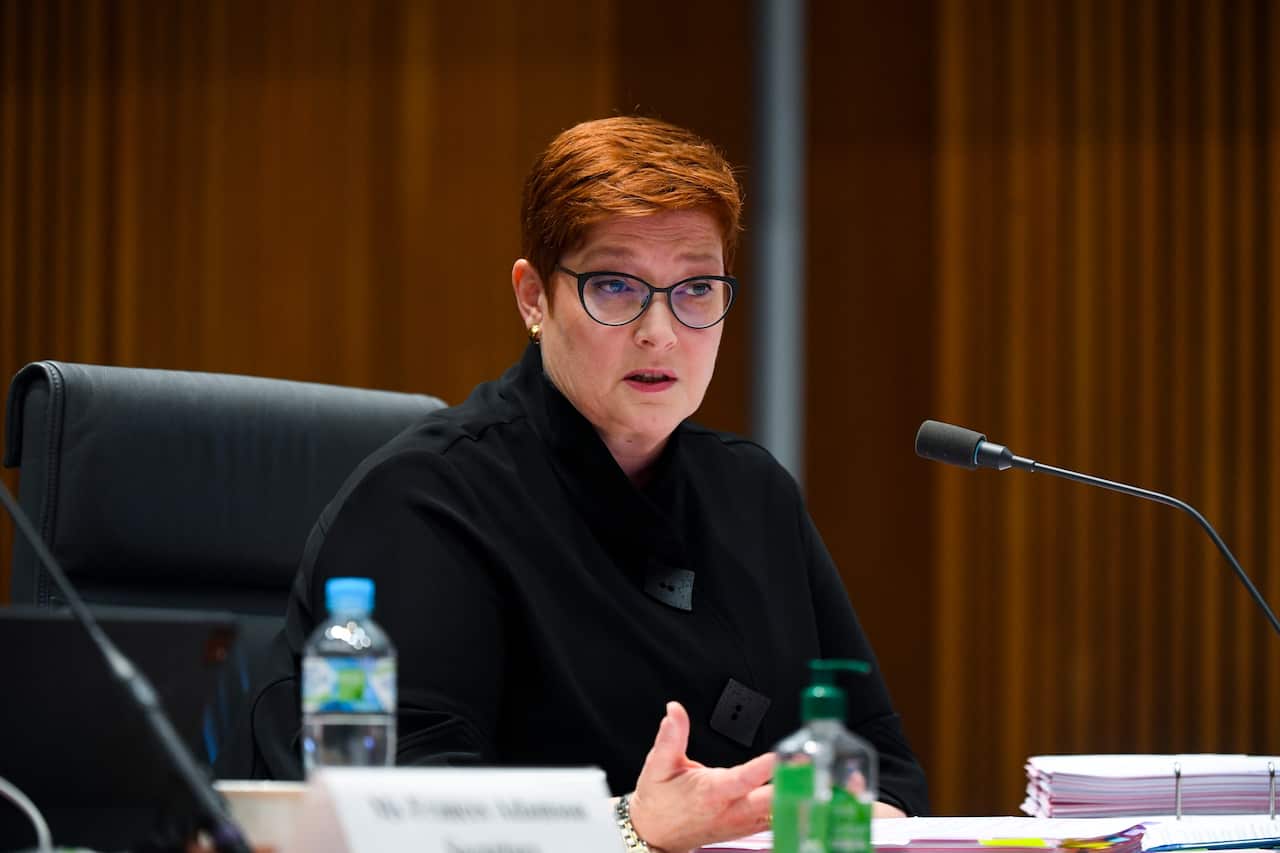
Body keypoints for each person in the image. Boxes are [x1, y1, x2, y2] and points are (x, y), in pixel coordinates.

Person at [241, 116, 928, 852]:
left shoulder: (753, 492)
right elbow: (402, 812)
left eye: (696, 288)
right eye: (614, 285)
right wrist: (633, 827)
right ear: (533, 297)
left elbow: (883, 766)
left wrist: (856, 819)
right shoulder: (425, 502)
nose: (660, 330)